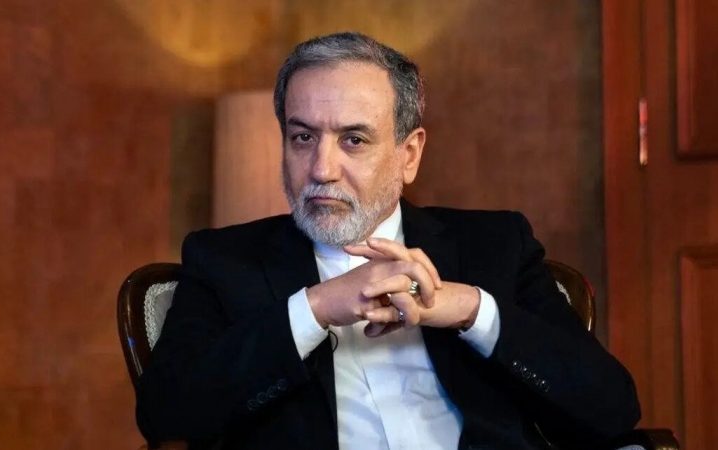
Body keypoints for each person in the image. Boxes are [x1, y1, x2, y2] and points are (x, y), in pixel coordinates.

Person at [136, 32, 640, 450]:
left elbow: (611, 409)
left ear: (409, 154)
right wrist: (315, 308)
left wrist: (471, 309)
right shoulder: (224, 261)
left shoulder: (495, 245)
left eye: (353, 140)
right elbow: (167, 414)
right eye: (302, 137)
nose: (322, 169)